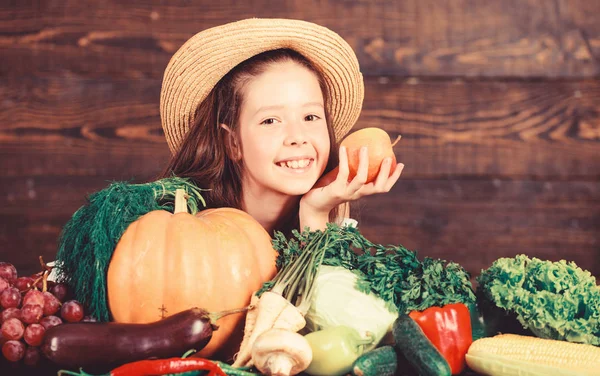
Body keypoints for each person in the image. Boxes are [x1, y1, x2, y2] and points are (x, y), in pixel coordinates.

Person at [158, 18, 404, 237]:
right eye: (270, 121)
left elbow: (322, 289)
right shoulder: (187, 230)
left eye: (310, 117)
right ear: (232, 143)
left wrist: (315, 212)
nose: (298, 137)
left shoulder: (329, 206)